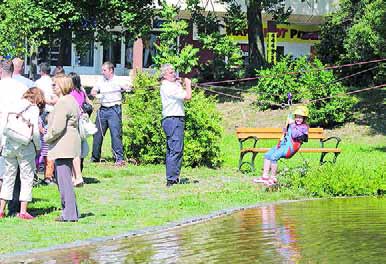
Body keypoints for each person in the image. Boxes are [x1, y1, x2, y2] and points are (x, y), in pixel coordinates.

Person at [0, 88, 45, 219]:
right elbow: (35, 132)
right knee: (26, 178)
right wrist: (38, 147)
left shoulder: (13, 104)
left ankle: (1, 209)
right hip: (25, 146)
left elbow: (4, 126)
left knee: (8, 177)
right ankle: (23, 211)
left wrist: (2, 144)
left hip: (9, 144)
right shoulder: (33, 109)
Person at [44, 75, 81, 222]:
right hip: (68, 143)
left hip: (63, 145)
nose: (52, 87)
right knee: (64, 181)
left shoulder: (63, 102)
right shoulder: (71, 100)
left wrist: (46, 138)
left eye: (55, 85)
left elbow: (58, 128)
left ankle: (69, 214)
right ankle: (71, 212)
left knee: (64, 182)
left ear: (62, 86)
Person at [254, 106, 309, 187]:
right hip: (283, 144)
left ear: (304, 118)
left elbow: (294, 134)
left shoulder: (304, 127)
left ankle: (273, 178)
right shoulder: (293, 123)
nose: (298, 119)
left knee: (274, 157)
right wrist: (287, 125)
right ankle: (265, 177)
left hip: (290, 148)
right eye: (296, 117)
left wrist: (292, 124)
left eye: (300, 117)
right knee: (268, 155)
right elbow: (285, 132)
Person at [90, 61, 129, 166]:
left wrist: (127, 88)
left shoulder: (117, 80)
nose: (102, 72)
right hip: (102, 110)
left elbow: (126, 87)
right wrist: (95, 94)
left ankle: (119, 159)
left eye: (104, 70)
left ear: (111, 70)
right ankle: (95, 157)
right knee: (97, 133)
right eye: (102, 70)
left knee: (115, 134)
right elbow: (93, 91)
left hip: (114, 110)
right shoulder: (101, 80)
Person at [159, 64, 192, 187]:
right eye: (171, 73)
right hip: (173, 119)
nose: (174, 74)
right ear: (164, 76)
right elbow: (188, 96)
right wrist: (188, 84)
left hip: (173, 119)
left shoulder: (172, 85)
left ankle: (173, 177)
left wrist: (179, 83)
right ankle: (171, 179)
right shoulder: (168, 87)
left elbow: (180, 92)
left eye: (174, 72)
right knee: (175, 149)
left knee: (173, 149)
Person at [69, 72, 92, 187]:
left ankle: (74, 176)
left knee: (73, 150)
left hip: (75, 122)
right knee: (79, 149)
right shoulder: (81, 92)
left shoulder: (71, 93)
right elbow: (88, 102)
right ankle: (77, 174)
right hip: (82, 121)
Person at [35, 62, 57, 184]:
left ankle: (37, 171)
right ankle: (48, 175)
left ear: (41, 71)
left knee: (40, 143)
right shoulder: (53, 82)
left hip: (42, 112)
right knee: (50, 144)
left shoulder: (38, 83)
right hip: (52, 113)